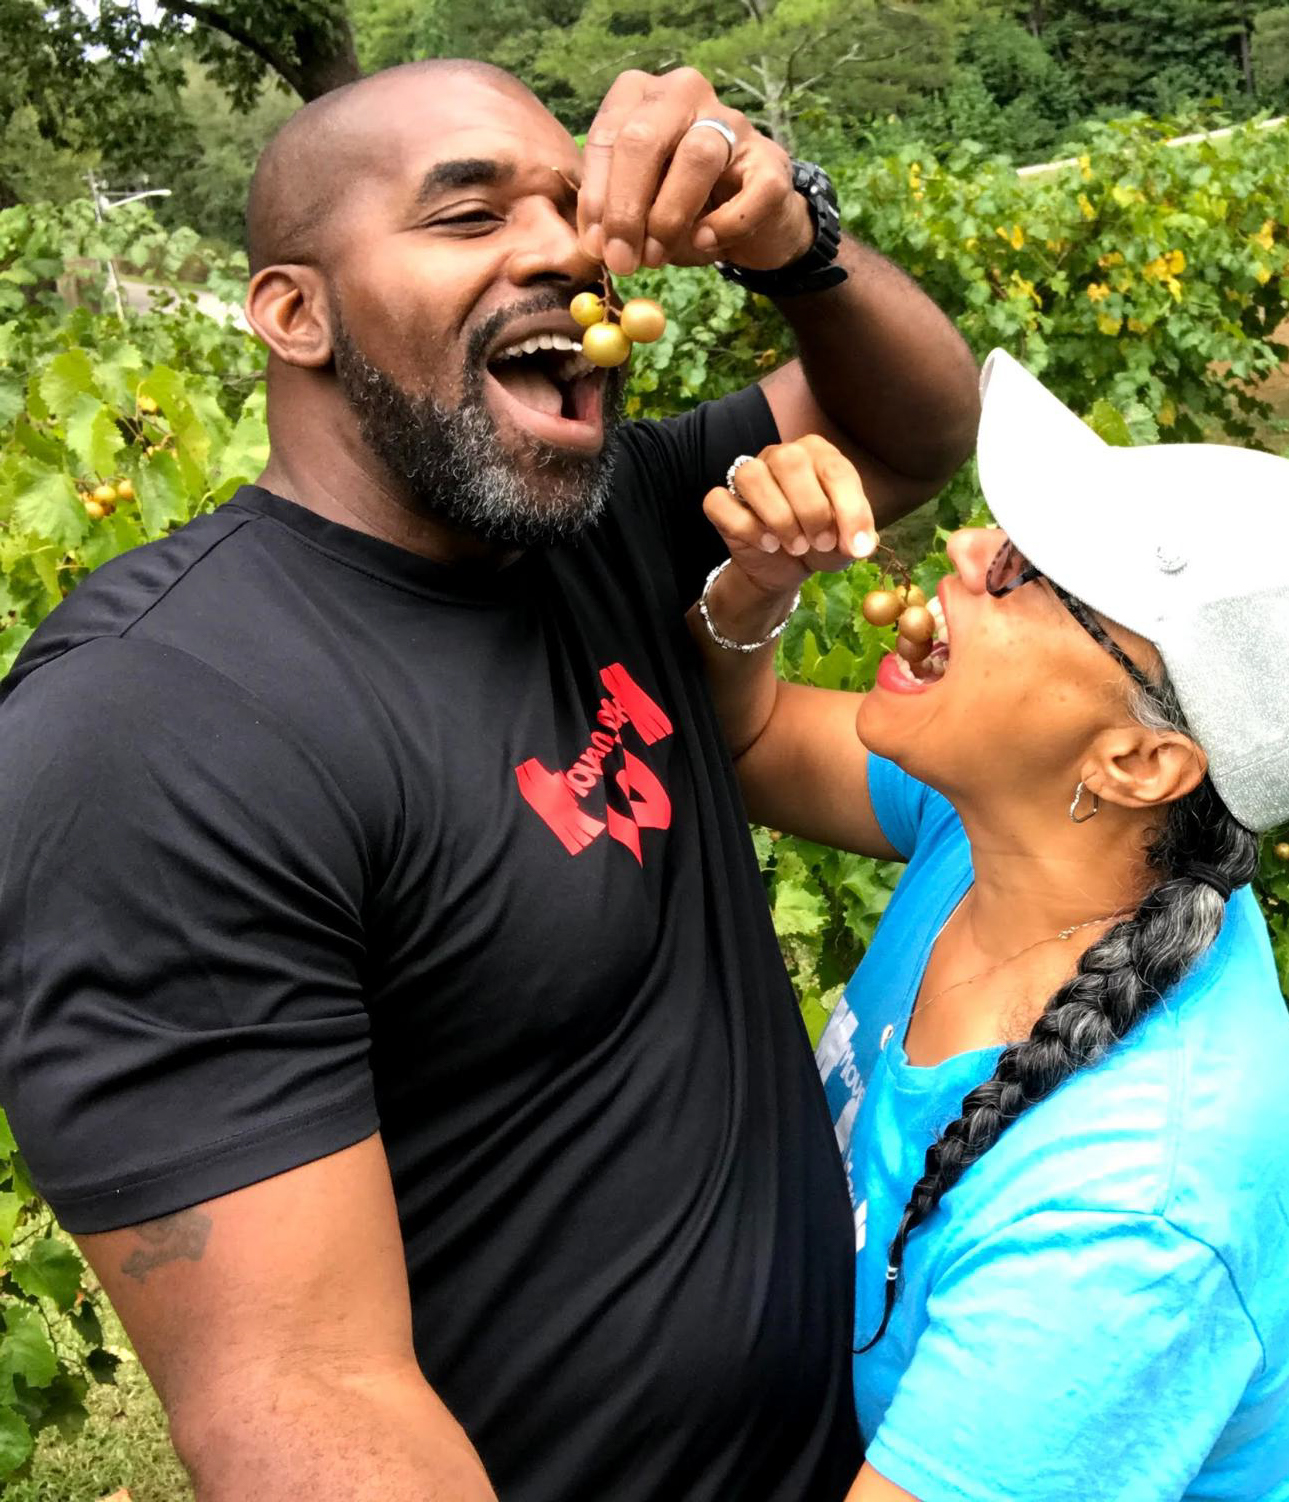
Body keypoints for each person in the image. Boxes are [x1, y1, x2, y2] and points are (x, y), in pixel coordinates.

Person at [0, 58, 979, 1502]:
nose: (567, 249)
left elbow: (914, 433)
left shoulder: (605, 517)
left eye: (571, 206)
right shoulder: (158, 724)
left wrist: (793, 238)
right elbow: (297, 1391)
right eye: (466, 216)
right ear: (294, 311)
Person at [690, 349, 1289, 1501]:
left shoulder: (1133, 1212)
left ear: (1135, 760)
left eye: (1025, 572)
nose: (966, 550)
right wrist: (753, 588)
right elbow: (751, 741)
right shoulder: (1003, 832)